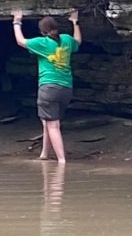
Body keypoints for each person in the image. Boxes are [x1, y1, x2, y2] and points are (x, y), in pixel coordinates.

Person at [12, 9, 82, 163]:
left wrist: (17, 21)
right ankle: (44, 154)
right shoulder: (66, 39)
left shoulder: (42, 43)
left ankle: (61, 161)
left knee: (53, 126)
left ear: (43, 31)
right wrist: (75, 22)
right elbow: (78, 41)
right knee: (48, 121)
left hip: (49, 88)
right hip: (66, 89)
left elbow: (20, 41)